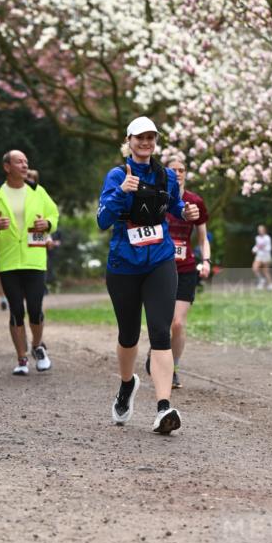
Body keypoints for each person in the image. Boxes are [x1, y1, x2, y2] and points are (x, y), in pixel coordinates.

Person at [97, 116, 186, 435]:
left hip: (160, 261)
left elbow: (173, 205)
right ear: (129, 141)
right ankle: (126, 384)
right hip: (124, 265)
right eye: (140, 137)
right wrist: (122, 192)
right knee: (129, 334)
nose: (145, 142)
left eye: (151, 137)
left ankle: (164, 408)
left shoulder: (166, 175)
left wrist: (183, 211)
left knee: (161, 332)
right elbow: (102, 220)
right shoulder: (118, 174)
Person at [0, 150, 59, 375]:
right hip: (9, 260)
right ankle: (21, 358)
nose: (24, 165)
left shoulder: (38, 192)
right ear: (7, 167)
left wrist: (48, 225)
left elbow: (54, 215)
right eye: (19, 162)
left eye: (26, 162)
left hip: (35, 259)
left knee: (35, 308)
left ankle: (37, 347)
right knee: (15, 310)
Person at [145, 154, 210, 389]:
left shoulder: (195, 201)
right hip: (160, 266)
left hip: (185, 268)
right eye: (173, 169)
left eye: (182, 169)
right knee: (162, 322)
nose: (178, 173)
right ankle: (158, 352)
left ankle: (172, 367)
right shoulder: (157, 197)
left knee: (178, 323)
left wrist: (207, 260)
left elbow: (203, 236)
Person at [252, 225, 272, 290]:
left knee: (266, 271)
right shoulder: (257, 238)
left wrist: (262, 247)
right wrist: (254, 249)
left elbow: (269, 248)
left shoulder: (267, 238)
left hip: (266, 256)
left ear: (264, 230)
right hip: (259, 255)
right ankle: (261, 280)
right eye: (259, 230)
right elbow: (257, 246)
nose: (260, 231)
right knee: (255, 268)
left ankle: (271, 284)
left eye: (261, 230)